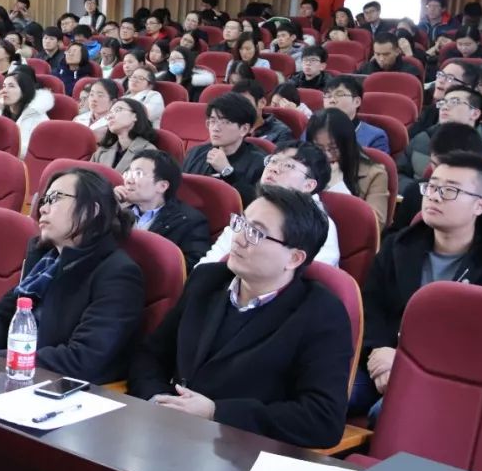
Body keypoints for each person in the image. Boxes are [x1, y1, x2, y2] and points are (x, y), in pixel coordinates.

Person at [129, 185, 351, 449]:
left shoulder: (321, 313)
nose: (238, 238)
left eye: (255, 233)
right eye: (240, 223)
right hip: (168, 432)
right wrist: (160, 400)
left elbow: (322, 419)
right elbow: (150, 355)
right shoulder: (207, 280)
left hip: (243, 451)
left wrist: (217, 413)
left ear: (294, 258)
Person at [353, 153, 482, 423]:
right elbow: (370, 307)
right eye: (432, 186)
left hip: (451, 375)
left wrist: (408, 364)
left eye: (450, 190)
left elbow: (480, 342)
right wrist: (378, 350)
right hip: (383, 361)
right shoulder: (398, 246)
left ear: (480, 205)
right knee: (330, 395)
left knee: (389, 413)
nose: (434, 196)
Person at [0, 168, 143, 383]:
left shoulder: (118, 274)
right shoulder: (47, 261)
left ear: (91, 210)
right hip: (15, 373)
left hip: (61, 389)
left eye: (55, 198)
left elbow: (82, 359)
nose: (43, 208)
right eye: (44, 200)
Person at [197, 142, 339, 268]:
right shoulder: (254, 209)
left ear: (308, 185)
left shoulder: (320, 227)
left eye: (288, 165)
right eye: (273, 161)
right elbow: (210, 261)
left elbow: (312, 276)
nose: (273, 168)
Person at [115, 149, 210, 271]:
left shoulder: (190, 221)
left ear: (162, 186)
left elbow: (191, 268)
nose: (128, 180)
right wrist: (109, 205)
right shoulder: (118, 211)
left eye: (138, 174)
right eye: (128, 173)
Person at [307, 108, 390, 231]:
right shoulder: (304, 164)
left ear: (347, 144)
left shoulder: (375, 174)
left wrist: (337, 188)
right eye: (319, 148)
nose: (327, 155)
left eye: (333, 148)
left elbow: (375, 225)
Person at [398, 86, 482, 185]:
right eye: (443, 102)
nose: (444, 107)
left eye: (454, 102)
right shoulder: (423, 138)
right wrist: (420, 190)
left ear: (475, 113)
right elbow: (399, 174)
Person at [182, 93, 267, 205]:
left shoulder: (259, 163)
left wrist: (227, 172)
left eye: (225, 122)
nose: (215, 128)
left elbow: (255, 203)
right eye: (213, 121)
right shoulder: (195, 153)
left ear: (244, 129)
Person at [0, 68, 55, 159]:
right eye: (4, 86)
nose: (4, 90)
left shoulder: (38, 117)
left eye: (11, 86)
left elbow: (28, 152)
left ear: (24, 91)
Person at [411, 59, 482, 138]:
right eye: (440, 75)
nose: (441, 80)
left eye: (449, 78)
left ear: (467, 87)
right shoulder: (429, 111)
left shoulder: (473, 115)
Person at [320, 75, 389, 153]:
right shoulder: (316, 130)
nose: (332, 100)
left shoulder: (375, 137)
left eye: (339, 95)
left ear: (357, 102)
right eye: (328, 95)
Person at [92, 98, 157, 173]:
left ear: (135, 116)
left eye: (117, 110)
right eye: (109, 113)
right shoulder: (101, 151)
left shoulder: (149, 151)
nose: (110, 116)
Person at [231, 80, 293, 146]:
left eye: (246, 102)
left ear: (262, 102)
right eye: (237, 103)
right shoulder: (230, 127)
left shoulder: (281, 132)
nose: (241, 107)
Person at [356, 32, 422, 78]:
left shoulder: (410, 72)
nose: (381, 59)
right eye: (377, 54)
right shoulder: (366, 68)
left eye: (386, 54)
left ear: (397, 51)